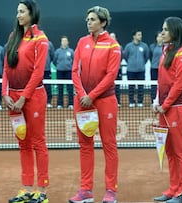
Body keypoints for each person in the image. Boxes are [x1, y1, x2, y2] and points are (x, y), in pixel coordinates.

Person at [69, 6, 121, 203]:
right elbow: (75, 71)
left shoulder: (113, 45)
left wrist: (92, 95)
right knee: (85, 145)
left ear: (103, 22)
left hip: (105, 100)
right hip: (82, 101)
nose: (88, 22)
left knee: (109, 145)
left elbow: (110, 76)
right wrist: (83, 95)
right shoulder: (82, 42)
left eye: (92, 19)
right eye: (87, 19)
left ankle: (111, 191)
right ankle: (85, 191)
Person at [2, 0, 49, 202]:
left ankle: (42, 191)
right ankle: (27, 189)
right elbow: (6, 68)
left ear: (32, 13)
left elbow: (38, 72)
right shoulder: (14, 37)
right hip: (13, 99)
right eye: (17, 12)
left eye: (22, 11)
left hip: (33, 97)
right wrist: (5, 93)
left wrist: (23, 97)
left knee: (38, 142)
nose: (18, 15)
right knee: (23, 143)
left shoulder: (41, 39)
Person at [152, 16, 182, 203]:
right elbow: (162, 82)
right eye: (162, 29)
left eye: (165, 29)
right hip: (165, 109)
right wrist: (156, 101)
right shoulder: (165, 52)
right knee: (169, 151)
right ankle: (173, 189)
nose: (162, 32)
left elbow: (179, 85)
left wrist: (164, 105)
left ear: (175, 32)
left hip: (178, 109)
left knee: (181, 151)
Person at [124, 29, 149, 107]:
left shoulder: (144, 46)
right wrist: (131, 63)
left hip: (141, 70)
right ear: (134, 36)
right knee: (131, 87)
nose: (140, 36)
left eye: (141, 35)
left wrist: (141, 63)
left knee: (141, 87)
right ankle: (131, 101)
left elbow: (147, 57)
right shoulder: (128, 46)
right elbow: (125, 56)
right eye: (138, 35)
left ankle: (140, 102)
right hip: (130, 70)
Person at [53, 35, 74, 109]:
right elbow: (54, 61)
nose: (64, 42)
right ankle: (60, 104)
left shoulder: (71, 51)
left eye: (65, 41)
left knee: (70, 88)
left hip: (69, 72)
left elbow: (74, 61)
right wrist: (59, 66)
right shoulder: (57, 51)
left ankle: (71, 104)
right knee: (60, 88)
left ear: (68, 42)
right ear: (61, 42)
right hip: (60, 72)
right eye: (63, 41)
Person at [149, 31, 163, 103]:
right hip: (154, 68)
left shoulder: (166, 46)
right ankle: (153, 100)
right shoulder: (152, 46)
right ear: (156, 38)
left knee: (162, 85)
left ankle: (162, 100)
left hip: (163, 69)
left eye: (161, 36)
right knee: (154, 85)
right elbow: (150, 57)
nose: (160, 38)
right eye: (158, 36)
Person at [109, 32, 123, 106]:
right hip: (108, 71)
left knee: (117, 86)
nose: (112, 38)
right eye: (110, 37)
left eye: (113, 37)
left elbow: (122, 57)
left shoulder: (119, 47)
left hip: (118, 70)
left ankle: (117, 101)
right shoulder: (106, 47)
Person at [44, 41, 54, 108]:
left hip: (47, 70)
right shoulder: (34, 42)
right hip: (36, 70)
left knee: (48, 86)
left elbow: (52, 56)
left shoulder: (49, 44)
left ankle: (48, 102)